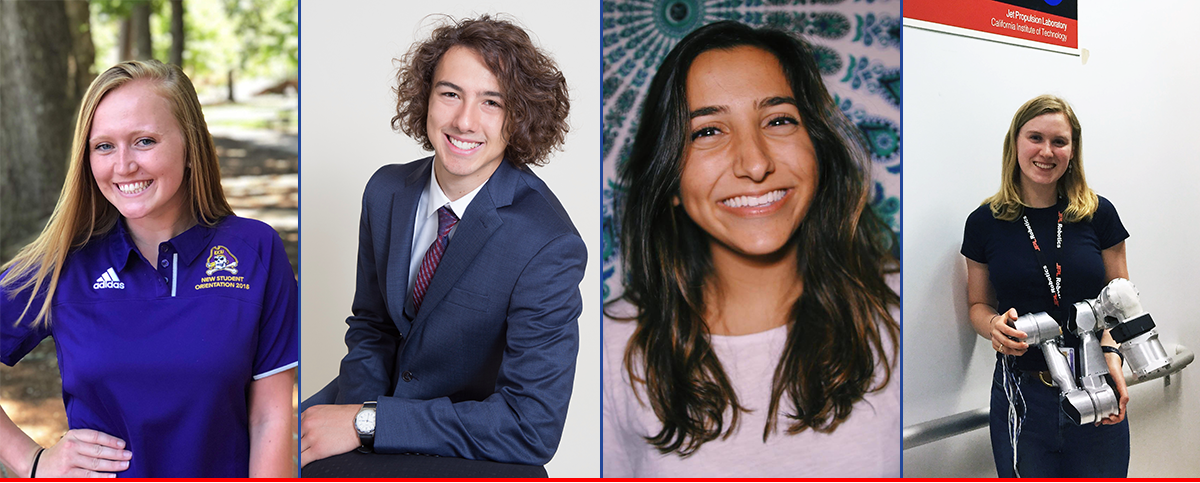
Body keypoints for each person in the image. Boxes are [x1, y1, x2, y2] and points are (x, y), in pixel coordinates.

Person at [602, 21, 901, 477]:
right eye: (707, 131)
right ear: (671, 183)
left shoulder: (903, 310)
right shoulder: (606, 348)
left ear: (817, 149)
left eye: (779, 120)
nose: (756, 163)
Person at [298, 15, 586, 476]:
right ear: (426, 98)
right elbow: (372, 326)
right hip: (374, 396)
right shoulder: (386, 191)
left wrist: (369, 424)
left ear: (520, 116)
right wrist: (355, 414)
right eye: (450, 93)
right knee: (257, 449)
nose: (464, 121)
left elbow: (531, 426)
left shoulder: (548, 243)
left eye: (492, 102)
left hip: (465, 435)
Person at [0, 60, 298, 478]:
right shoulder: (64, 261)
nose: (123, 166)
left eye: (143, 141)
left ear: (190, 146)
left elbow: (270, 418)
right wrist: (31, 461)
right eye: (104, 146)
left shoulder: (255, 251)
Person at [962, 94, 1130, 478]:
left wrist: (1114, 358)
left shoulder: (1098, 214)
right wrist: (993, 326)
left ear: (1073, 150)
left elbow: (1120, 303)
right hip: (1022, 393)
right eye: (1035, 138)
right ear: (1015, 144)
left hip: (1096, 382)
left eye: (1059, 141)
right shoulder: (984, 222)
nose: (1046, 151)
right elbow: (977, 304)